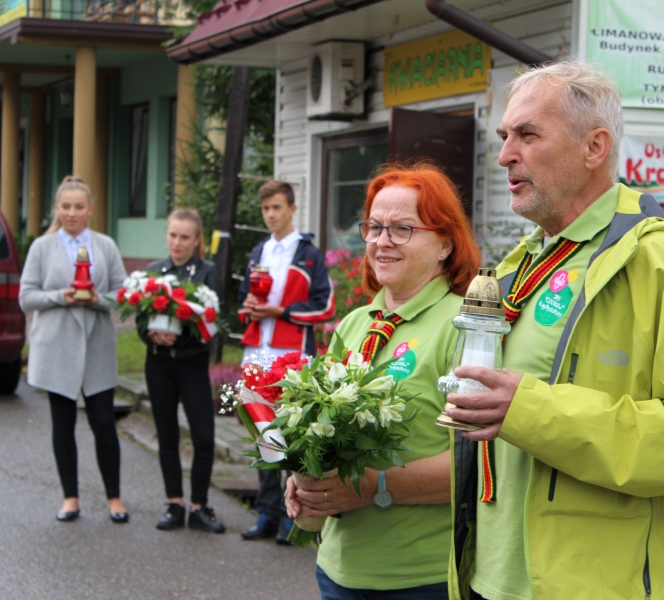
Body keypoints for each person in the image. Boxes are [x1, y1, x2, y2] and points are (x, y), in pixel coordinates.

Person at [443, 61, 664, 600]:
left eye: (528, 135)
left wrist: (531, 411)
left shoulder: (657, 258)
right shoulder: (521, 266)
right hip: (488, 581)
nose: (505, 155)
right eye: (504, 136)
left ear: (594, 148)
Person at [285, 163, 482, 599]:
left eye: (402, 229)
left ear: (446, 244)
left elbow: (479, 463)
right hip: (338, 569)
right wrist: (303, 475)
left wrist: (372, 487)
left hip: (418, 578)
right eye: (374, 227)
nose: (381, 241)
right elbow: (322, 428)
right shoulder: (356, 323)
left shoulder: (464, 327)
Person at [20, 176, 129, 524]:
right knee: (63, 425)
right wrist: (60, 296)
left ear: (90, 209)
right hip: (56, 348)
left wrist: (97, 300)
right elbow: (26, 297)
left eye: (79, 207)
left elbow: (123, 295)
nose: (72, 213)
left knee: (103, 424)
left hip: (96, 346)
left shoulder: (105, 246)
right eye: (65, 206)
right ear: (56, 208)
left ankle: (114, 498)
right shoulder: (41, 247)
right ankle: (70, 498)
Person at [237, 180, 335, 543]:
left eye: (277, 207)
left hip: (292, 354)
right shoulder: (258, 251)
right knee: (262, 434)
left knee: (292, 434)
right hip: (256, 352)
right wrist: (248, 306)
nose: (270, 215)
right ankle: (266, 513)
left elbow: (325, 306)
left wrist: (282, 311)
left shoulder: (309, 253)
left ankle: (292, 517)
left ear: (292, 209)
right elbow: (243, 300)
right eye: (265, 209)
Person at [140, 208, 225, 533]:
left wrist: (180, 336)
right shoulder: (153, 271)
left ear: (196, 239)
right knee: (167, 436)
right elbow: (139, 316)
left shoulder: (206, 272)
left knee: (203, 437)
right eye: (173, 235)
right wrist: (150, 334)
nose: (177, 242)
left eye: (185, 237)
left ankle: (199, 506)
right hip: (158, 363)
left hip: (191, 363)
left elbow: (213, 319)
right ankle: (174, 503)